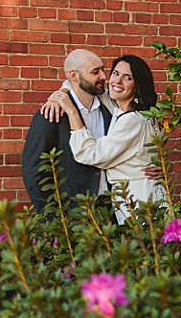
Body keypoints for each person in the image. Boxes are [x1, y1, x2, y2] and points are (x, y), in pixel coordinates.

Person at [46, 54, 165, 221]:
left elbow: (91, 154)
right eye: (116, 73)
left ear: (137, 85)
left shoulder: (132, 120)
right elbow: (79, 82)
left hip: (139, 198)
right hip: (132, 194)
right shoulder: (121, 106)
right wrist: (61, 93)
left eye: (128, 77)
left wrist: (73, 113)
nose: (117, 81)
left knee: (145, 244)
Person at [22, 49, 111, 211]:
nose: (103, 77)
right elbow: (34, 172)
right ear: (74, 76)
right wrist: (54, 216)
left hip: (112, 211)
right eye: (95, 72)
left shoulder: (109, 110)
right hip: (72, 213)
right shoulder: (51, 115)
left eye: (103, 70)